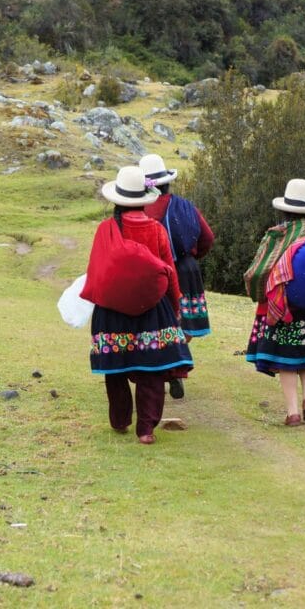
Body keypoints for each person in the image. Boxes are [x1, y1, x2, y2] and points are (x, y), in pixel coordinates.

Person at [82, 166, 193, 444]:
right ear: (145, 200)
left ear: (117, 200)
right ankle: (145, 430)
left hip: (111, 310)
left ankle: (120, 421)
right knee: (152, 371)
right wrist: (174, 308)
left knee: (115, 368)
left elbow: (97, 270)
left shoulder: (106, 229)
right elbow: (169, 271)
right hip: (152, 309)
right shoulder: (155, 230)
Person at [243, 179, 305, 426]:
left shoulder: (276, 235)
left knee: (286, 358)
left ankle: (292, 412)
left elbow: (259, 271)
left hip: (285, 307)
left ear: (284, 209)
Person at [140, 153, 215, 399]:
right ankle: (174, 367)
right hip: (186, 269)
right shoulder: (187, 206)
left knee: (157, 322)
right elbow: (207, 238)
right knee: (184, 323)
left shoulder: (142, 210)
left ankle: (166, 369)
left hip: (154, 271)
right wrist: (192, 257)